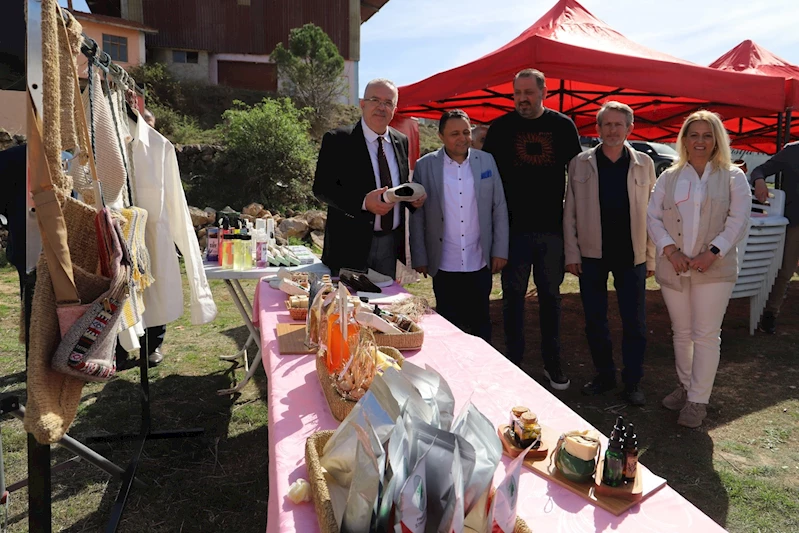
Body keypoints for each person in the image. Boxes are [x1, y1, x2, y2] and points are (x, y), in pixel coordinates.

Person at [647, 110, 751, 428]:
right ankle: (684, 386)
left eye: (707, 135)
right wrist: (670, 250)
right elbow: (653, 216)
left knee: (705, 334)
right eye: (694, 134)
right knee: (682, 332)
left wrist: (713, 253)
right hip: (675, 266)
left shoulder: (734, 176)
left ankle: (697, 401)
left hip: (713, 269)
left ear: (717, 139)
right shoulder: (669, 176)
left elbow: (738, 220)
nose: (700, 141)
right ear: (685, 139)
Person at [482, 68, 582, 390]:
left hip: (552, 231)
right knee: (512, 297)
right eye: (517, 93)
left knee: (551, 298)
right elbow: (488, 183)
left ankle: (552, 362)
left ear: (544, 92)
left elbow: (579, 177)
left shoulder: (563, 127)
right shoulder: (500, 129)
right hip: (511, 232)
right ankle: (513, 361)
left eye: (528, 92)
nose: (522, 99)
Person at [563, 102, 656, 405]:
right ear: (598, 128)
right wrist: (572, 253)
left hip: (632, 255)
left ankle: (633, 382)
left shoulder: (644, 163)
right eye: (607, 124)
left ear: (630, 128)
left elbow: (654, 214)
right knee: (595, 320)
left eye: (619, 125)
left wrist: (651, 256)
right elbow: (570, 211)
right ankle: (604, 375)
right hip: (592, 253)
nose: (613, 130)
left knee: (635, 322)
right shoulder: (580, 162)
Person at [410, 110, 509, 343]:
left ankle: (481, 373)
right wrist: (419, 255)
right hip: (444, 262)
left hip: (479, 259)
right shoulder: (425, 166)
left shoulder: (487, 161)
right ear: (441, 136)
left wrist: (500, 250)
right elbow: (417, 213)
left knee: (481, 325)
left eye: (466, 132)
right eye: (454, 133)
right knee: (448, 325)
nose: (462, 138)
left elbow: (499, 206)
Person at [313, 78, 426, 278]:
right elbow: (322, 188)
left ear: (394, 109)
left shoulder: (401, 141)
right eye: (375, 100)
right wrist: (363, 202)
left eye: (388, 102)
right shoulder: (338, 140)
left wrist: (412, 200)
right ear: (362, 104)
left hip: (390, 245)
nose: (381, 107)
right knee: (348, 307)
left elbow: (397, 184)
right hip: (349, 244)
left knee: (383, 306)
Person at [750, 141, 799, 334]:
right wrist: (760, 182)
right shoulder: (793, 151)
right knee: (785, 270)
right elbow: (759, 170)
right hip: (795, 221)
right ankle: (770, 313)